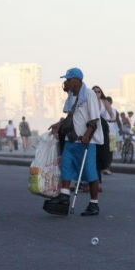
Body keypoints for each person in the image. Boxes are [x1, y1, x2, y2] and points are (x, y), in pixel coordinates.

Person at [43, 68, 103, 216]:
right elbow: (71, 117)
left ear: (77, 80)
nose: (65, 83)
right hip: (71, 140)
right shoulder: (71, 96)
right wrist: (59, 124)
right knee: (66, 168)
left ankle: (94, 204)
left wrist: (87, 135)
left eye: (68, 80)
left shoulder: (89, 94)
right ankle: (64, 199)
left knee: (90, 172)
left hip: (86, 142)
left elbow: (94, 119)